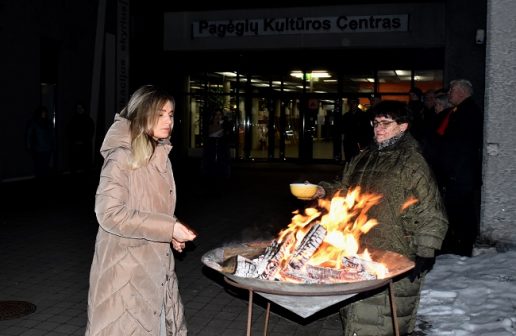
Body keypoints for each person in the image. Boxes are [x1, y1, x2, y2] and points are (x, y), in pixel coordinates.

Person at [308, 100, 448, 336]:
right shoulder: (363, 157)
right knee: (356, 313)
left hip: (396, 250)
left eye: (386, 123)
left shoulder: (412, 162)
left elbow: (431, 209)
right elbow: (344, 188)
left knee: (385, 316)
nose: (378, 128)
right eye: (375, 123)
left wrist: (426, 251)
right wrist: (322, 191)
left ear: (403, 126)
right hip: (357, 247)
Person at [85, 85, 197, 336]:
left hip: (155, 268)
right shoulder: (120, 158)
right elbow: (110, 214)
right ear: (142, 115)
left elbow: (151, 208)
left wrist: (172, 232)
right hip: (125, 274)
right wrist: (168, 227)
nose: (168, 120)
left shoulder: (159, 155)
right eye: (160, 114)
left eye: (170, 114)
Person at [434, 79, 483, 257]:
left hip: (461, 174)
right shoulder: (460, 111)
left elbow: (463, 146)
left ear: (462, 92)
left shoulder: (468, 112)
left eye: (452, 90)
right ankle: (458, 245)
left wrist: (453, 172)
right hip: (458, 174)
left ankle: (462, 247)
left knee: (462, 213)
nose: (449, 93)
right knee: (457, 212)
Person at [25, 105, 55, 179]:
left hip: (47, 149)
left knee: (45, 167)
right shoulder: (34, 123)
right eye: (42, 112)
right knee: (38, 168)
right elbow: (29, 135)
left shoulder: (49, 123)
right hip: (38, 149)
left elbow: (52, 135)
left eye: (45, 112)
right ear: (39, 113)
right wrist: (29, 147)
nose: (44, 114)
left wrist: (52, 145)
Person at [202, 108, 232, 179]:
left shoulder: (224, 125)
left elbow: (229, 134)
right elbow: (206, 137)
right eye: (216, 114)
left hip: (221, 152)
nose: (218, 116)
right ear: (213, 116)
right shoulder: (209, 125)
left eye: (220, 114)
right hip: (211, 152)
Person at [341, 96, 373, 162]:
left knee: (359, 161)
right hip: (348, 142)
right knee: (349, 159)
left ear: (358, 104)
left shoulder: (364, 116)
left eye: (354, 103)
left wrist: (365, 143)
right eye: (350, 103)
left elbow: (368, 130)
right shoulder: (346, 116)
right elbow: (343, 129)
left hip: (360, 142)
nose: (352, 105)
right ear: (348, 104)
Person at [68, 103, 95, 174]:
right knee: (76, 165)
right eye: (78, 108)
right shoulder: (73, 120)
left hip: (85, 146)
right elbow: (69, 132)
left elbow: (90, 132)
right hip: (75, 146)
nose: (79, 110)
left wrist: (83, 141)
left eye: (81, 108)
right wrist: (75, 141)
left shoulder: (88, 120)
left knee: (85, 165)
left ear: (84, 109)